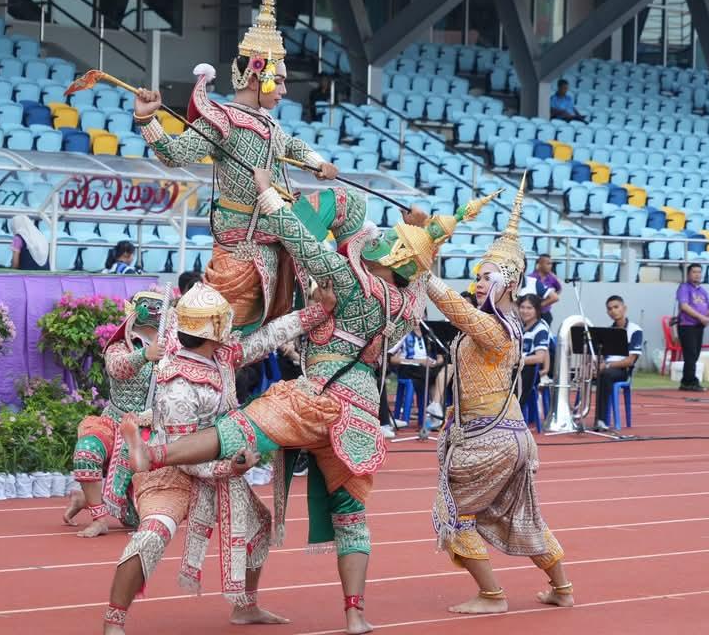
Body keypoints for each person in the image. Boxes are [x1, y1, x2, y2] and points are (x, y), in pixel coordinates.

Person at [122, 182, 496, 635]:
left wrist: (266, 193)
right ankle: (355, 614)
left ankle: (154, 455)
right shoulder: (405, 306)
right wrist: (431, 235)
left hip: (317, 395)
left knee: (239, 429)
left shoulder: (350, 279)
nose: (376, 241)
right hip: (360, 413)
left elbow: (298, 238)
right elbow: (418, 275)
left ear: (392, 257)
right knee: (351, 516)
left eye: (387, 243)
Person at [131, 0, 356, 335]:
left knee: (345, 203)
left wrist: (318, 162)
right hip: (243, 245)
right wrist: (147, 119)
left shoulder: (269, 123)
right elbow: (173, 154)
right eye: (279, 80)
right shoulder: (222, 120)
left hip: (276, 228)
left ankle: (352, 291)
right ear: (256, 76)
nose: (284, 90)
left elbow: (291, 147)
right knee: (216, 335)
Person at [102, 282, 337, 634]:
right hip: (171, 470)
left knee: (259, 525)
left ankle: (245, 606)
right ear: (213, 328)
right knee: (153, 534)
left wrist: (318, 311)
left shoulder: (220, 355)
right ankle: (114, 620)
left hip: (216, 462)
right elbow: (185, 457)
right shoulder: (178, 385)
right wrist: (230, 467)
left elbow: (267, 337)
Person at [424, 175, 573, 615]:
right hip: (504, 435)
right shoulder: (499, 323)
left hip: (491, 440)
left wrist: (422, 270)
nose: (478, 282)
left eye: (486, 277)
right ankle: (562, 588)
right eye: (477, 276)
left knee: (455, 512)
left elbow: (456, 310)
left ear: (509, 283)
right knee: (523, 515)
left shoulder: (498, 328)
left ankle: (492, 595)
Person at [65, 291, 168, 538]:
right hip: (115, 422)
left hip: (153, 430)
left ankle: (86, 498)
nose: (154, 313)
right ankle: (99, 518)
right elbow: (117, 368)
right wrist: (144, 355)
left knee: (134, 519)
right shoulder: (120, 346)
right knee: (87, 451)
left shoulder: (173, 350)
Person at [594, 295, 642, 430]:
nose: (613, 311)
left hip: (622, 371)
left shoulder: (635, 330)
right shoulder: (608, 331)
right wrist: (596, 365)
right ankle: (576, 417)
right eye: (610, 309)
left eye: (616, 307)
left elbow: (630, 361)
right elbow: (603, 356)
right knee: (582, 375)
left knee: (605, 374)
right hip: (607, 369)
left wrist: (606, 365)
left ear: (624, 308)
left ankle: (602, 420)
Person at [389, 324, 446, 428]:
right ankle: (433, 412)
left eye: (420, 317)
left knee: (440, 374)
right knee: (431, 376)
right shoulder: (403, 334)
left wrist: (435, 362)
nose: (418, 321)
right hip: (408, 368)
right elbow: (391, 359)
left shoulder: (428, 335)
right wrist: (419, 361)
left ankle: (434, 412)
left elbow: (440, 355)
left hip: (425, 369)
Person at [675, 263, 709, 392]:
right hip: (687, 325)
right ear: (688, 274)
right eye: (694, 272)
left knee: (694, 354)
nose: (697, 274)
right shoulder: (684, 288)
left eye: (699, 272)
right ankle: (691, 381)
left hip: (698, 326)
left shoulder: (702, 291)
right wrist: (701, 317)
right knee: (690, 354)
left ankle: (686, 381)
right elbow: (684, 306)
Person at [517, 294, 550, 407]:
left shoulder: (540, 329)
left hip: (528, 375)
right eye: (522, 307)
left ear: (537, 310)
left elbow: (539, 358)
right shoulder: (520, 326)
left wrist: (515, 361)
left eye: (529, 308)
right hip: (518, 372)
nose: (525, 311)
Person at [518, 254, 561, 326]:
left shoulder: (551, 277)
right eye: (548, 263)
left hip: (544, 313)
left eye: (551, 264)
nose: (550, 266)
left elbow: (557, 292)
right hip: (525, 315)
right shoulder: (532, 277)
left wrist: (537, 306)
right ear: (540, 264)